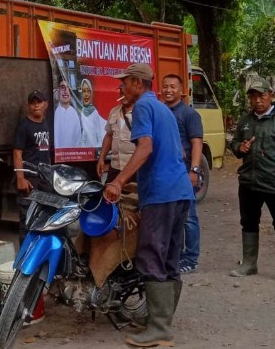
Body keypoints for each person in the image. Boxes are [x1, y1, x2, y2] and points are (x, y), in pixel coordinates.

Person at [104, 63, 194, 348]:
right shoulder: (164, 109)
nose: (121, 88)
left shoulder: (143, 107)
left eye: (124, 83)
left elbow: (145, 147)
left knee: (150, 253)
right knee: (168, 256)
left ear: (136, 83)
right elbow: (176, 152)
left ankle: (159, 328)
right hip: (180, 191)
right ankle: (161, 321)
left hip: (162, 194)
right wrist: (138, 182)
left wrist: (119, 181)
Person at [229, 77, 275, 285]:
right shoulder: (246, 120)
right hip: (249, 182)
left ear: (271, 95)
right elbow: (235, 143)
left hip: (274, 182)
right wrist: (240, 147)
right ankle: (249, 264)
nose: (257, 100)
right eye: (253, 96)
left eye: (261, 95)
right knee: (248, 222)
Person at [162, 74, 204, 275]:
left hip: (185, 172)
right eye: (165, 87)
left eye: (173, 86)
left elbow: (197, 143)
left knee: (188, 216)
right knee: (172, 216)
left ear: (181, 90)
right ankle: (175, 255)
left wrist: (194, 170)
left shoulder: (189, 114)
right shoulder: (161, 112)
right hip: (167, 174)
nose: (168, 90)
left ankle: (191, 258)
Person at [13, 90, 51, 245]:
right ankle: (24, 260)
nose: (36, 105)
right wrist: (20, 178)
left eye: (39, 102)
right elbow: (17, 153)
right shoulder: (24, 126)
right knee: (27, 221)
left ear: (46, 104)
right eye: (33, 103)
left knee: (45, 219)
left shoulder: (46, 123)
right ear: (29, 106)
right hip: (29, 179)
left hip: (45, 178)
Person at [96, 85, 135, 183]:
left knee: (133, 196)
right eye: (121, 92)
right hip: (115, 165)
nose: (123, 95)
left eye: (126, 92)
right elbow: (109, 136)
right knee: (109, 195)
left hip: (133, 167)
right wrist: (101, 158)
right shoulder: (114, 111)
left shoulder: (141, 112)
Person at [54, 78, 82, 148]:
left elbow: (77, 139)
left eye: (68, 88)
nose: (66, 91)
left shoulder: (74, 114)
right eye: (63, 87)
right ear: (58, 90)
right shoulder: (54, 113)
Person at [78, 78, 106, 147]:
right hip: (84, 153)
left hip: (94, 152)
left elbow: (99, 138)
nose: (86, 94)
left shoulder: (94, 112)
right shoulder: (81, 112)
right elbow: (82, 137)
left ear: (91, 93)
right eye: (84, 91)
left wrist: (95, 151)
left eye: (88, 91)